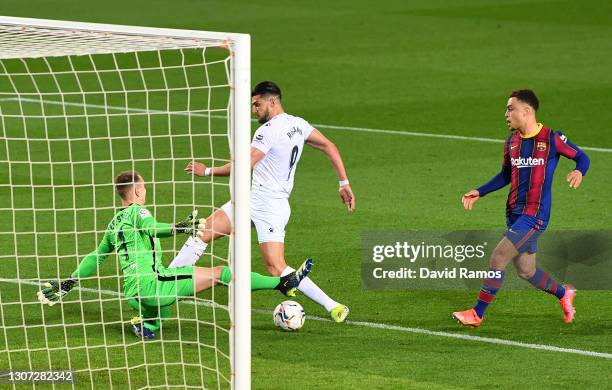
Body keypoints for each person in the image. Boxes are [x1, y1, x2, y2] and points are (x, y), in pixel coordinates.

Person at [37, 170, 312, 339]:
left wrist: (69, 282)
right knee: (221, 273)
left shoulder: (113, 223)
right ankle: (282, 282)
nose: (145, 191)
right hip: (153, 286)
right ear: (136, 190)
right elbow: (154, 229)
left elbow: (95, 256)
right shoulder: (138, 212)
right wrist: (179, 228)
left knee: (165, 299)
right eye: (143, 187)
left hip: (133, 295)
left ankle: (147, 323)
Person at [174, 81, 355, 323]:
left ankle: (333, 305)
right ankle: (167, 279)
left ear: (272, 101)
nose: (253, 109)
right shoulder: (298, 124)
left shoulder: (267, 130)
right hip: (252, 198)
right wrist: (343, 182)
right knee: (202, 232)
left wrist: (207, 171)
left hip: (270, 205)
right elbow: (329, 146)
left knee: (276, 267)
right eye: (252, 105)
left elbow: (243, 165)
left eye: (257, 104)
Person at [453, 89, 590, 328]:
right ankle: (563, 293)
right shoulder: (511, 142)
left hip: (534, 216)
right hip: (515, 215)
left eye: (510, 108)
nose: (506, 114)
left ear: (526, 111)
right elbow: (506, 174)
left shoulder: (551, 138)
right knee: (527, 271)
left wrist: (579, 171)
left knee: (498, 258)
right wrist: (480, 190)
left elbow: (582, 157)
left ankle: (477, 313)